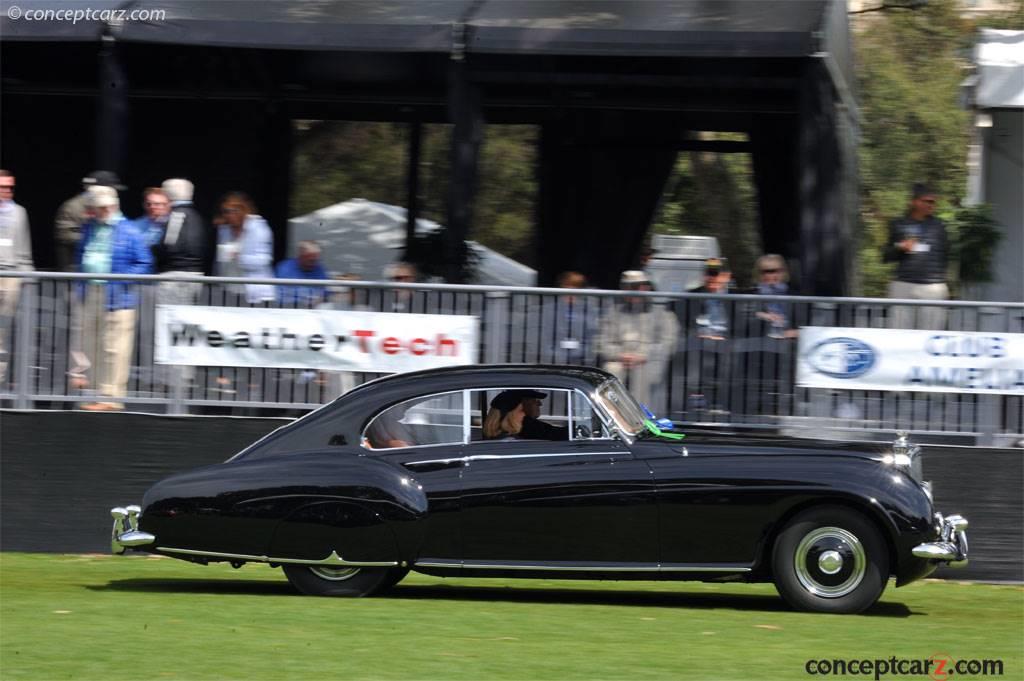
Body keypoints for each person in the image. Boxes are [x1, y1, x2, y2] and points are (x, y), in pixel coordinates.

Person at [73, 185, 153, 410]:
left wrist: (120, 279)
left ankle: (111, 397)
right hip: (93, 291)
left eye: (97, 208)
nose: (94, 212)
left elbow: (144, 263)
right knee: (93, 345)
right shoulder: (90, 228)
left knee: (115, 348)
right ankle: (97, 393)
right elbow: (81, 255)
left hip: (118, 296)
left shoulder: (130, 230)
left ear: (109, 207)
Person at [598, 270, 679, 415]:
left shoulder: (662, 313)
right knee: (611, 370)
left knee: (641, 373)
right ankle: (611, 418)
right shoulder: (613, 312)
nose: (634, 290)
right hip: (620, 359)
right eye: (629, 286)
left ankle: (640, 418)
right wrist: (621, 355)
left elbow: (668, 343)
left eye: (638, 286)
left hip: (649, 361)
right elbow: (602, 343)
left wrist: (643, 355)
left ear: (646, 287)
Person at [883, 183, 950, 330]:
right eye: (928, 201)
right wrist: (900, 247)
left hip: (933, 288)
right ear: (914, 201)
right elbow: (886, 256)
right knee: (900, 334)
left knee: (930, 335)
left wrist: (942, 283)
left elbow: (946, 254)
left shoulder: (940, 226)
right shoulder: (898, 224)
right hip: (903, 286)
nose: (932, 205)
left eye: (934, 202)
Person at [0, 170, 34, 383]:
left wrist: (26, 276)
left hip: (10, 276)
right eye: (2, 187)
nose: (7, 191)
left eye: (10, 187)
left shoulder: (19, 212)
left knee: (2, 330)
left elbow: (24, 247)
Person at [55, 170, 124, 272]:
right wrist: (93, 236)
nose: (114, 193)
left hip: (103, 270)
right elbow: (64, 235)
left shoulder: (110, 206)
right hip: (75, 270)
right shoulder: (72, 207)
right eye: (111, 189)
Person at [214, 192, 274, 304]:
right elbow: (219, 261)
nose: (228, 215)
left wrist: (240, 257)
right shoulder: (224, 230)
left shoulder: (258, 228)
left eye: (232, 211)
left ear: (242, 210)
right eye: (225, 211)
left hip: (254, 293)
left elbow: (264, 260)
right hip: (229, 290)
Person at [537, 271, 598, 365]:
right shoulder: (549, 309)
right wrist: (556, 354)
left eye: (576, 286)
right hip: (554, 355)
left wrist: (580, 352)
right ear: (562, 287)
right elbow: (545, 338)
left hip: (581, 355)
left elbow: (590, 338)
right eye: (568, 285)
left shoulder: (588, 310)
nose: (571, 289)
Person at [747, 254, 798, 340]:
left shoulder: (793, 294)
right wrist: (763, 316)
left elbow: (803, 324)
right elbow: (744, 321)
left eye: (776, 271)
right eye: (766, 271)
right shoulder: (754, 294)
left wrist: (793, 332)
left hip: (788, 344)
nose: (771, 275)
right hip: (762, 344)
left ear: (783, 272)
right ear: (759, 274)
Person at [276, 240, 330, 307]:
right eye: (311, 260)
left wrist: (321, 298)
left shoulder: (320, 269)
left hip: (313, 310)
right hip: (289, 310)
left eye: (316, 260)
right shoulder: (285, 268)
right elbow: (282, 296)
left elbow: (326, 293)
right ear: (301, 256)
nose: (314, 263)